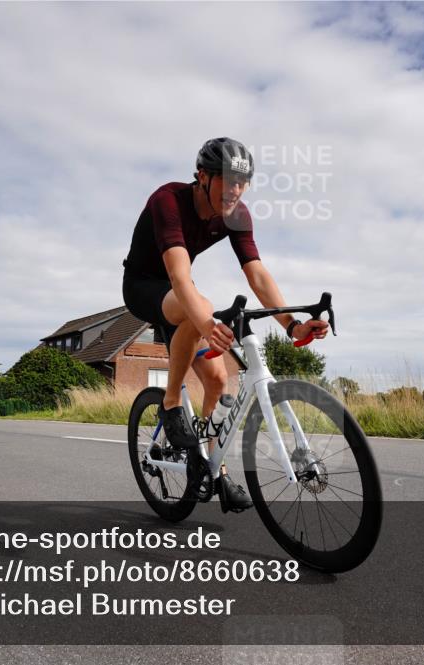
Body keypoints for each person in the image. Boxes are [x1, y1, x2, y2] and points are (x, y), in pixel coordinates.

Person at [122, 137, 329, 513]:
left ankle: (212, 471)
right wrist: (204, 321)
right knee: (198, 304)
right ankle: (170, 405)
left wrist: (291, 325)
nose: (236, 190)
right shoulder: (168, 201)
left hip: (181, 297)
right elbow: (179, 276)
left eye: (242, 182)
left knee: (218, 380)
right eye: (228, 180)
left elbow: (258, 275)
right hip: (145, 287)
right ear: (203, 176)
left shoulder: (236, 215)